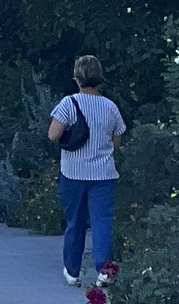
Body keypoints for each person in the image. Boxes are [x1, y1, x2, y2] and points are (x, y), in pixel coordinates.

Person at [47, 54, 124, 290]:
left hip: (73, 174)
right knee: (102, 223)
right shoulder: (110, 107)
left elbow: (53, 135)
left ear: (77, 79)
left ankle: (72, 271)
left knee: (75, 223)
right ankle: (105, 271)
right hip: (104, 176)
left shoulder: (68, 104)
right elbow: (116, 141)